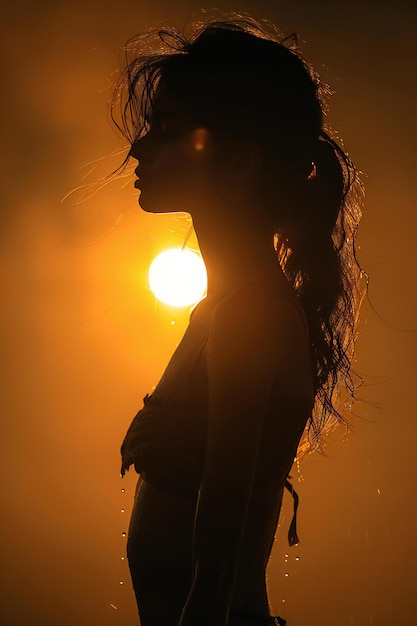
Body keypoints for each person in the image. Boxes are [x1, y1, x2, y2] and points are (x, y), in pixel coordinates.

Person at [113, 14, 365, 626]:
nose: (138, 148)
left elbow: (217, 552)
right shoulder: (222, 308)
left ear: (241, 161)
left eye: (166, 129)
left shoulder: (251, 315)